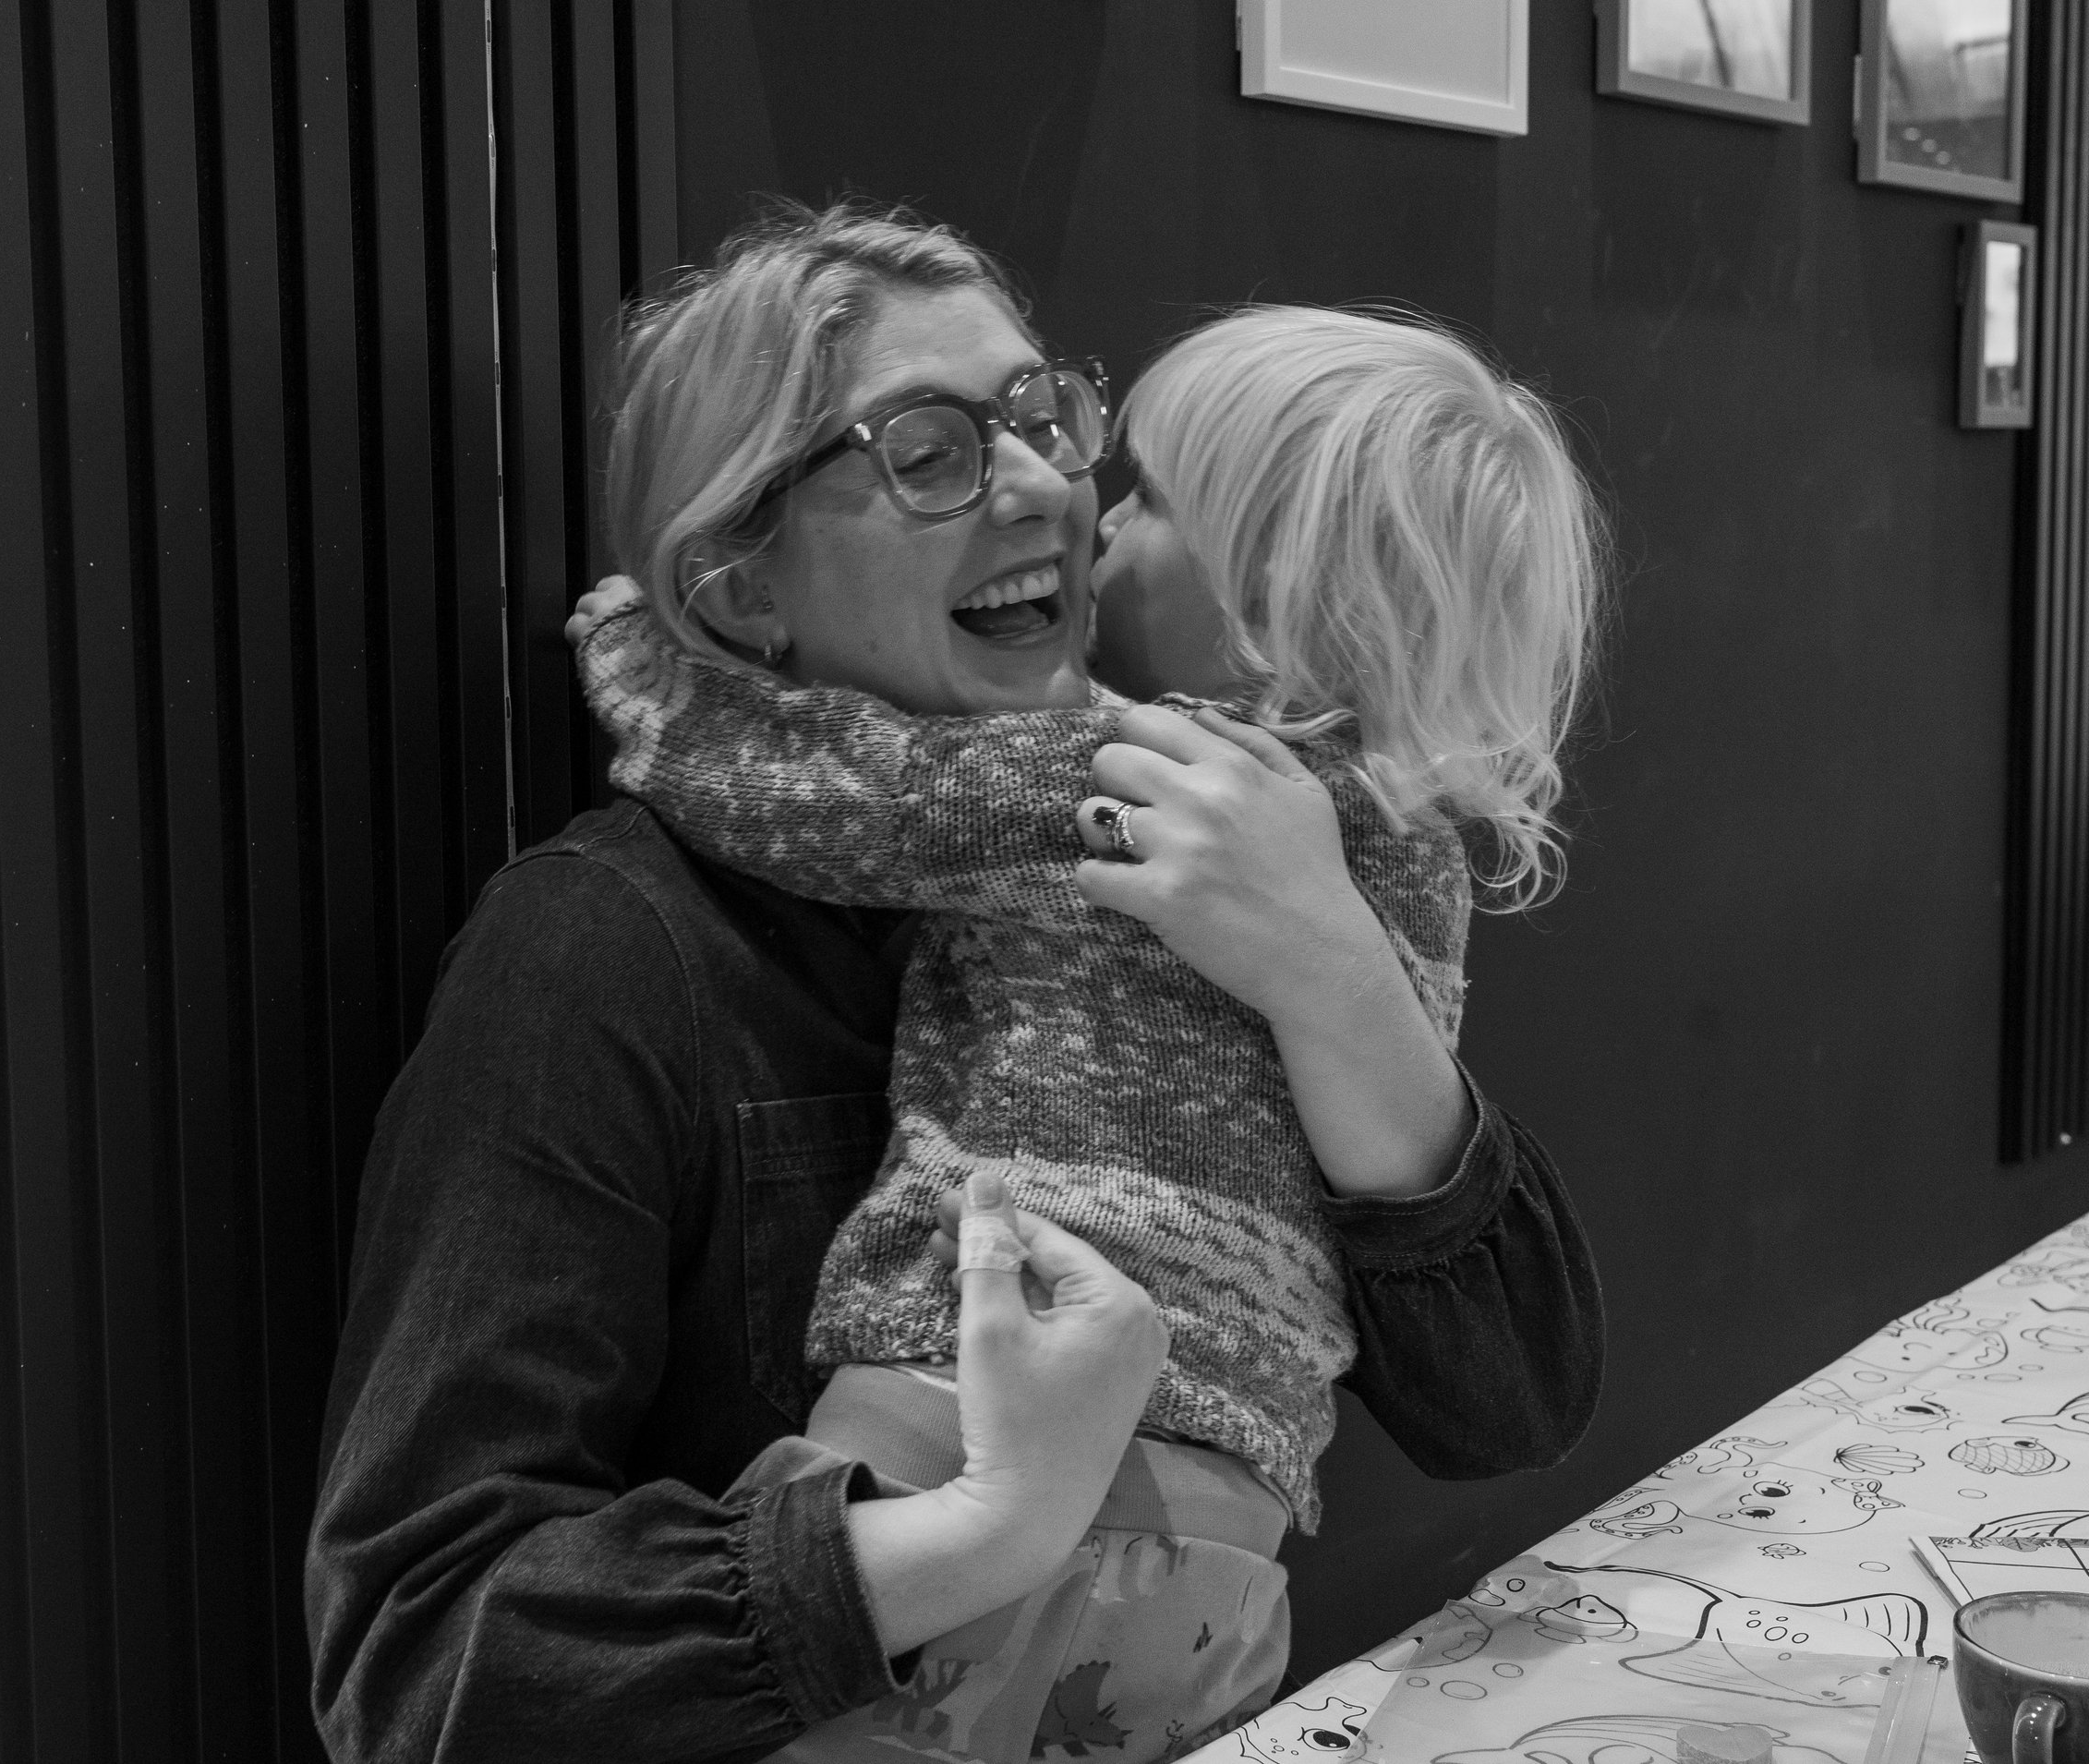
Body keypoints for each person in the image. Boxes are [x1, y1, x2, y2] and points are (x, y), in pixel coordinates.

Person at [304, 204, 1603, 1764]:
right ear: (738, 593)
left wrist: (1336, 977)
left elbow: (1511, 1407)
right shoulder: (602, 951)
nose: (1053, 486)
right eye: (928, 449)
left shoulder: (1226, 847)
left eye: (1044, 416)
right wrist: (987, 1527)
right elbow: (421, 1659)